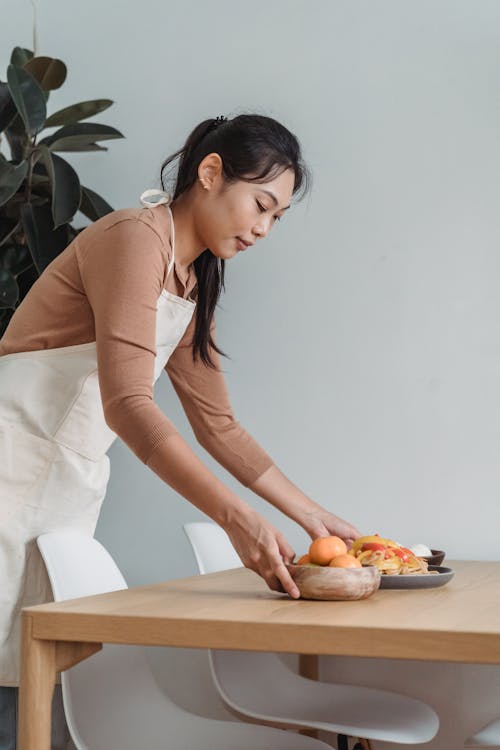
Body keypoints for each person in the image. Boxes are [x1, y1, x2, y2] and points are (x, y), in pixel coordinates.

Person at [0, 113, 360, 746]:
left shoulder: (192, 277)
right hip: (10, 460)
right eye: (261, 204)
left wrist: (313, 518)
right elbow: (129, 406)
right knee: (12, 681)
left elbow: (218, 426)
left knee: (40, 676)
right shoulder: (135, 239)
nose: (263, 228)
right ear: (212, 172)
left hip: (66, 480)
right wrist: (236, 518)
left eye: (276, 217)